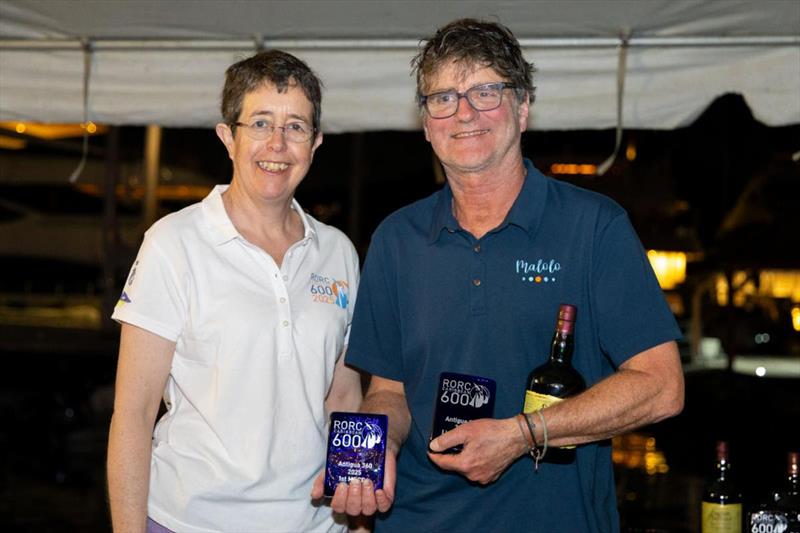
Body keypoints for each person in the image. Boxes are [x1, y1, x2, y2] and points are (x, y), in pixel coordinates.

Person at [318, 18, 685, 532]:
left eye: (485, 92)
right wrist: (366, 463)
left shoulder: (594, 227)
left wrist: (524, 433)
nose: (464, 113)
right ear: (426, 123)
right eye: (443, 97)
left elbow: (662, 386)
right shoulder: (397, 239)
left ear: (523, 108)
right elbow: (390, 392)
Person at [107, 50, 362, 532]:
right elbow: (133, 414)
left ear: (316, 143)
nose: (278, 144)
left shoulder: (338, 252)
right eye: (261, 123)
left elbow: (344, 398)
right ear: (229, 137)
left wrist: (356, 520)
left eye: (296, 127)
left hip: (315, 525)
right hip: (190, 521)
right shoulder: (174, 243)